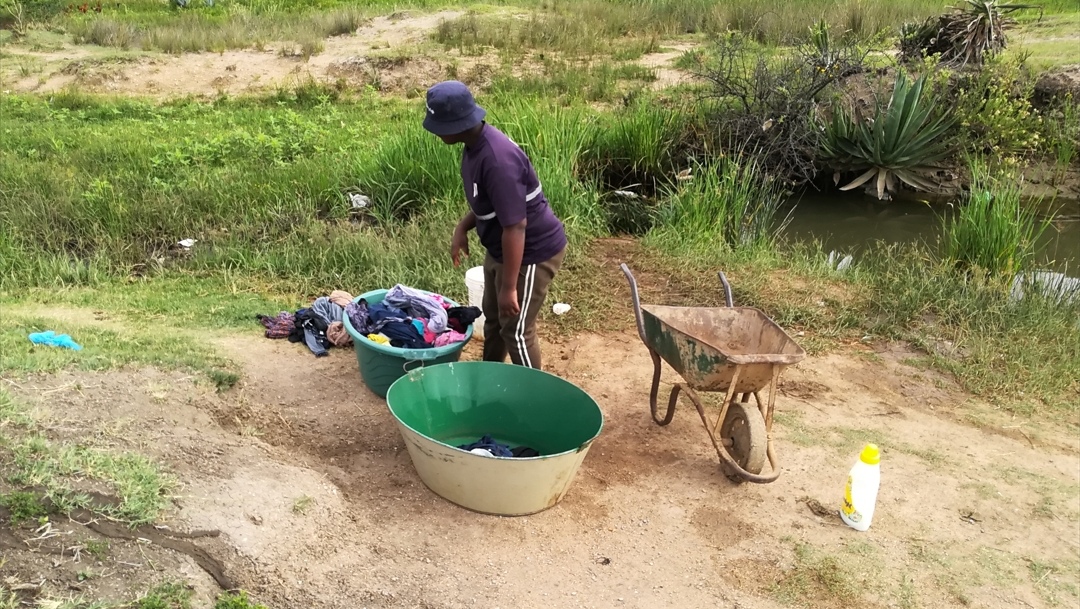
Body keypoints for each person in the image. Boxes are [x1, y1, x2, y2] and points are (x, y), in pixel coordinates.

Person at [422, 80, 567, 370]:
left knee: (516, 330)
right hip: (503, 249)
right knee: (493, 320)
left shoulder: (497, 159)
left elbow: (516, 226)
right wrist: (462, 228)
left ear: (455, 125)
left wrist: (509, 287)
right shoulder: (473, 145)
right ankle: (491, 378)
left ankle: (532, 398)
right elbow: (489, 203)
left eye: (437, 126)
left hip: (531, 253)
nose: (435, 133)